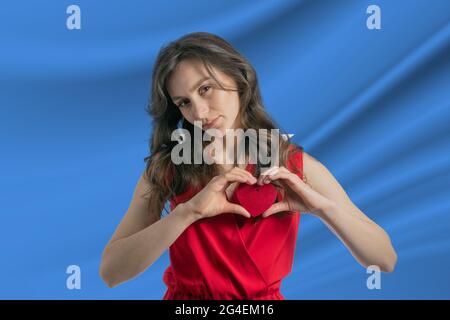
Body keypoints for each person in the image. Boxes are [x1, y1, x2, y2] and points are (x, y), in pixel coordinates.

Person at [99, 32, 397, 299]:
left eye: (205, 89)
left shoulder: (292, 165)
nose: (199, 112)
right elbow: (111, 272)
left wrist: (324, 210)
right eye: (184, 102)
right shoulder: (170, 167)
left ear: (238, 78)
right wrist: (187, 213)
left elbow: (384, 259)